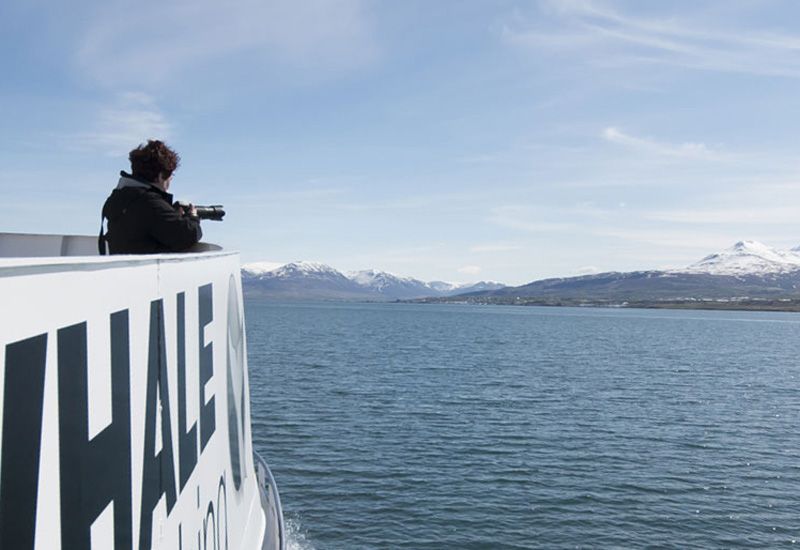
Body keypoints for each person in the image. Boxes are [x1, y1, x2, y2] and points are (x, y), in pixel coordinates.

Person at [100, 140, 202, 254]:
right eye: (169, 176)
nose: (170, 181)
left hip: (123, 268)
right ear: (160, 176)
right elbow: (187, 235)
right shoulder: (149, 202)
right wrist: (193, 217)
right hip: (144, 270)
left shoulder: (121, 197)